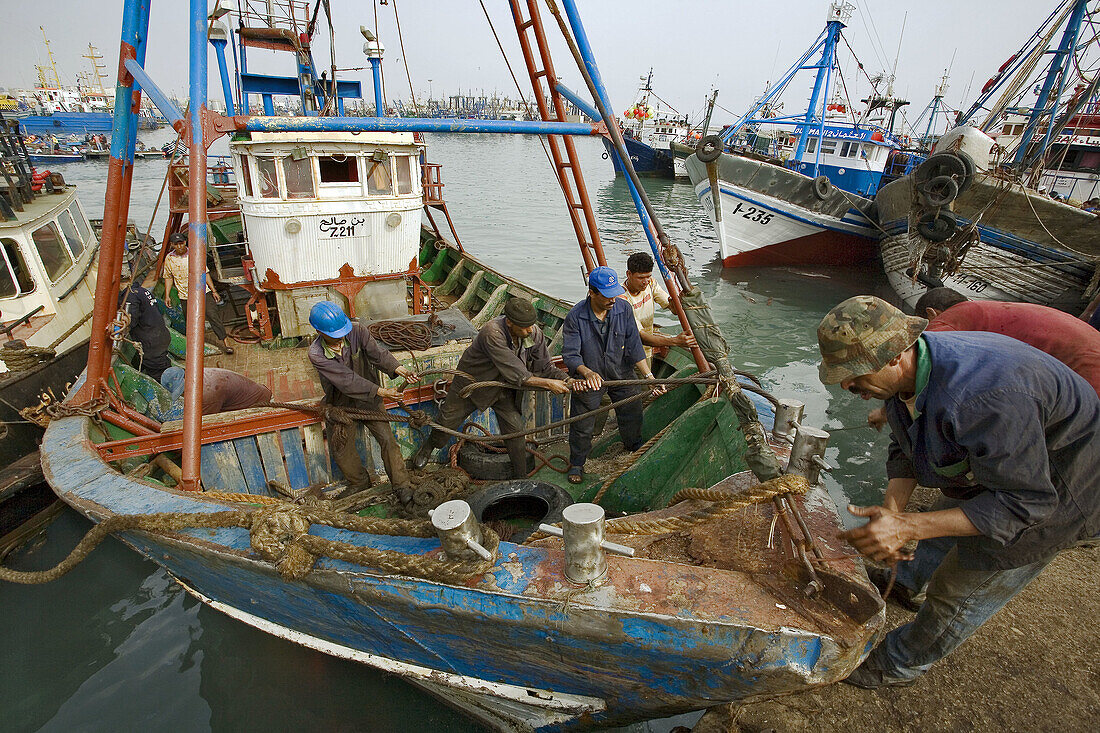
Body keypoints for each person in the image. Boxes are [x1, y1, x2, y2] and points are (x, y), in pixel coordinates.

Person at [817, 295, 1100, 688]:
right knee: (944, 519)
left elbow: (1025, 503)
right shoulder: (912, 375)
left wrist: (909, 527)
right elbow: (906, 444)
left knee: (963, 584)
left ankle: (898, 664)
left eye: (853, 373)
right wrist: (894, 513)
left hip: (1064, 483)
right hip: (1007, 458)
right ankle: (906, 577)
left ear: (894, 356)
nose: (848, 385)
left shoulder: (981, 399)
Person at [867, 288, 1100, 430]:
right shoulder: (981, 314)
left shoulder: (949, 321)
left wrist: (886, 412)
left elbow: (918, 364)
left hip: (1084, 369)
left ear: (931, 314)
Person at [410, 297, 572, 478]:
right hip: (472, 385)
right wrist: (549, 384)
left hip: (503, 389)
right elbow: (519, 373)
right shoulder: (492, 332)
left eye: (531, 326)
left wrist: (567, 380)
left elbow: (545, 368)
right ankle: (429, 447)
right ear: (509, 322)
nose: (529, 331)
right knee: (446, 423)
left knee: (516, 432)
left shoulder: (533, 333)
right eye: (524, 327)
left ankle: (521, 477)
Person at [307, 301, 417, 501]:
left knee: (388, 441)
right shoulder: (316, 354)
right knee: (341, 449)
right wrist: (382, 391)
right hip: (340, 403)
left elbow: (378, 355)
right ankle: (359, 482)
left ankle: (402, 485)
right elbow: (346, 381)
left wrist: (399, 369)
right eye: (335, 334)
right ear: (318, 331)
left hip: (370, 400)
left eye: (342, 331)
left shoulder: (358, 331)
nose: (340, 336)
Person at [562, 266, 661, 484]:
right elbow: (570, 355)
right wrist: (587, 373)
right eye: (607, 296)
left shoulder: (623, 308)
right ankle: (577, 463)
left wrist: (648, 377)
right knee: (583, 422)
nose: (612, 300)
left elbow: (634, 346)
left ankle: (632, 447)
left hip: (621, 372)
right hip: (590, 377)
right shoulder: (575, 317)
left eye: (614, 294)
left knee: (632, 412)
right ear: (592, 293)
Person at [160, 232, 234, 354]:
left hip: (203, 292)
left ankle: (226, 343)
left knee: (213, 316)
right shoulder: (169, 259)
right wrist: (167, 295)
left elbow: (205, 273)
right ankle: (196, 348)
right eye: (176, 244)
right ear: (172, 245)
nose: (179, 246)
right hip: (185, 295)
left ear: (185, 242)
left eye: (182, 243)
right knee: (191, 321)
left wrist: (214, 291)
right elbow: (168, 277)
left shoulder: (195, 254)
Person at [620, 252, 697, 365]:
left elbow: (674, 310)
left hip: (648, 350)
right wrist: (675, 341)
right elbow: (642, 337)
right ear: (629, 274)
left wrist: (677, 300)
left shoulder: (651, 283)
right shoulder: (622, 299)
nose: (645, 282)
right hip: (631, 354)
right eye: (641, 278)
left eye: (648, 276)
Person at [118, 263, 171, 382]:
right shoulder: (141, 291)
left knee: (158, 375)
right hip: (160, 336)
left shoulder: (130, 297)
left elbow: (131, 321)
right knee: (163, 366)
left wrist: (119, 326)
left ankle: (171, 396)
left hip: (151, 344)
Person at [160, 366, 272, 414]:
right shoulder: (196, 373)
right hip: (254, 393)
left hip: (258, 404)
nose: (183, 395)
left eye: (182, 390)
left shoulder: (208, 394)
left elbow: (206, 426)